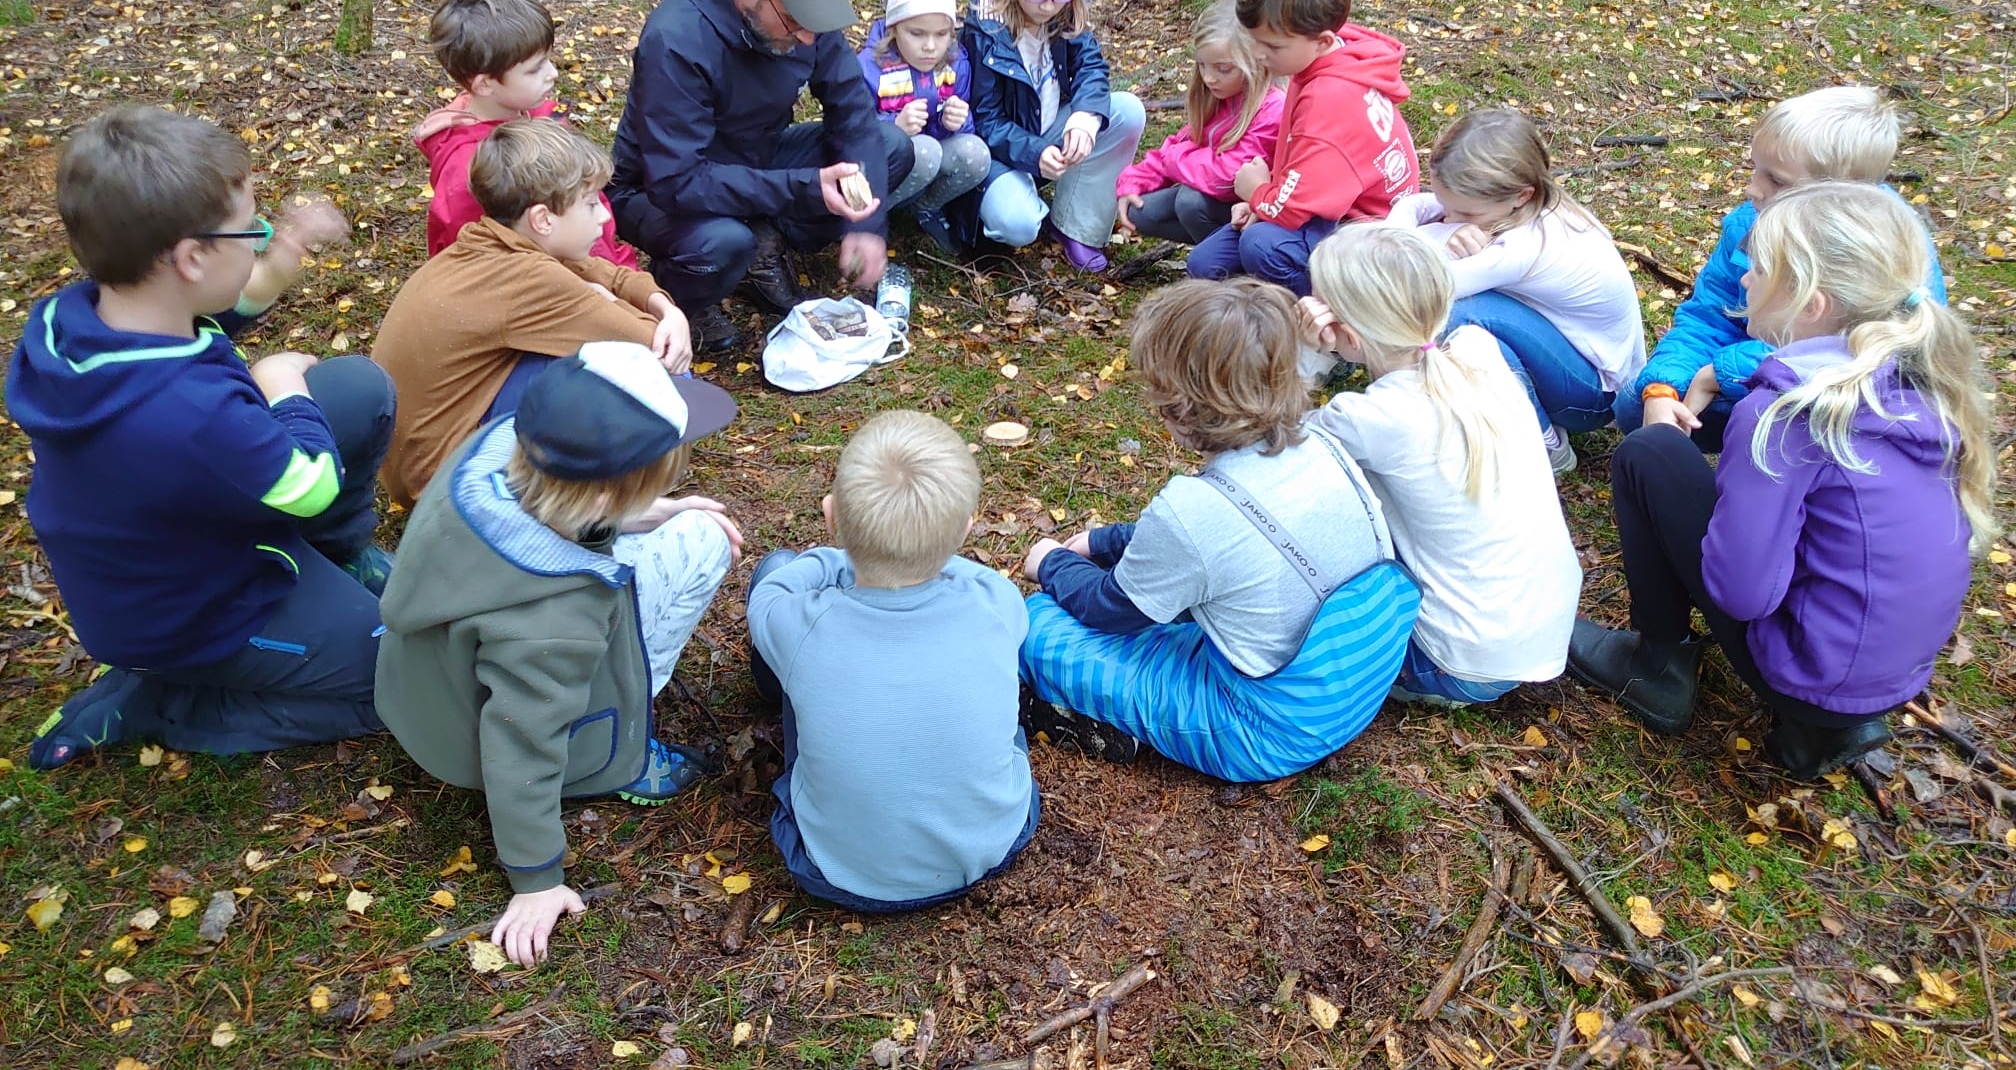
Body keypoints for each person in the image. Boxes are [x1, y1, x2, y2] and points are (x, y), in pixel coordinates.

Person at [11, 105, 396, 769]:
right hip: (201, 611)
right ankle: (165, 701)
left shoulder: (77, 319)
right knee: (399, 676)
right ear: (189, 257)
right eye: (251, 230)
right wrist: (282, 385)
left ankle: (332, 558)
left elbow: (217, 310)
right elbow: (308, 486)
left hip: (189, 529)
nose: (259, 237)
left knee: (359, 391)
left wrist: (280, 257)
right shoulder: (184, 412)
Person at [1568, 183, 1993, 779]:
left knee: (1650, 451)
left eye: (1758, 269)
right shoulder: (1924, 374)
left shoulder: (1785, 414)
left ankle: (1657, 665)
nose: (1743, 280)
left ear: (1810, 303)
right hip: (1896, 672)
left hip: (1809, 674)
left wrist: (1726, 512)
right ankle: (1823, 728)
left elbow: (1742, 591)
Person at [377, 343, 742, 966]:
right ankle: (624, 758)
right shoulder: (555, 617)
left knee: (683, 528)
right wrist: (536, 878)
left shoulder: (491, 455)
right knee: (703, 541)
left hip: (422, 687)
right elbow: (523, 739)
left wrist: (639, 515)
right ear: (604, 497)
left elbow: (560, 508)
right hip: (475, 741)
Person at [1017, 280, 1419, 783]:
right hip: (1354, 685)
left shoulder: (1192, 511)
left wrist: (1052, 561)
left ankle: (1112, 718)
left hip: (1265, 730)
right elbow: (1218, 541)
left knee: (1033, 625)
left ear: (1179, 411)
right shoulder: (1322, 444)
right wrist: (1104, 541)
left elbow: (1109, 610)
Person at [746, 411, 1038, 911]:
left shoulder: (800, 623)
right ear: (965, 532)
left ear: (832, 515)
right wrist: (926, 548)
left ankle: (777, 690)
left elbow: (770, 590)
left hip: (832, 872)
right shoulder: (998, 600)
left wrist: (843, 555)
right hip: (995, 845)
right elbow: (971, 575)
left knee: (776, 565)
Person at [609, 0, 915, 354]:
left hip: (758, 156)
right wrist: (808, 188)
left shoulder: (801, 11)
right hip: (658, 189)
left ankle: (762, 247)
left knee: (890, 149)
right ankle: (678, 298)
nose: (809, 38)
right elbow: (679, 181)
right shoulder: (675, 40)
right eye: (794, 22)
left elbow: (853, 113)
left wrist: (866, 219)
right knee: (722, 243)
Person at [1303, 225, 1580, 708]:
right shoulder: (1478, 348)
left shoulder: (1370, 418)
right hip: (1543, 631)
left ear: (1345, 335)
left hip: (1459, 663)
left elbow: (1274, 443)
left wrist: (1310, 355)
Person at [372, 119, 692, 508]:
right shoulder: (530, 278)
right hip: (448, 486)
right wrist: (617, 306)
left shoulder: (489, 240)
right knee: (649, 378)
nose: (605, 217)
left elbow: (599, 270)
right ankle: (569, 488)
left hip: (411, 466)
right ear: (543, 219)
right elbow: (652, 349)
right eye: (591, 204)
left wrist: (666, 307)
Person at [1616, 85, 1947, 451]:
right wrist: (1664, 387)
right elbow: (1711, 315)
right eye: (1756, 169)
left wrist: (1721, 371)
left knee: (1794, 428)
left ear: (1843, 192)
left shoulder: (1887, 251)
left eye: (1776, 180)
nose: (1752, 189)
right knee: (1637, 406)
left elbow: (1865, 356)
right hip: (1757, 370)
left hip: (1845, 403)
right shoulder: (1750, 224)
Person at [1387, 109, 1644, 475]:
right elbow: (1418, 210)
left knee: (1455, 315)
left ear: (1521, 195)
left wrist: (1414, 228)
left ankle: (1547, 443)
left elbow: (1415, 282)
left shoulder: (1523, 248)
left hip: (1596, 395)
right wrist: (1434, 221)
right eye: (1445, 206)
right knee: (1464, 310)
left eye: (1465, 213)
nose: (1450, 217)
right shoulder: (1532, 205)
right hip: (1579, 360)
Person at [1187, 0, 1418, 297]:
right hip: (1324, 205)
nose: (1259, 55)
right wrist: (1263, 201)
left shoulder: (1330, 97)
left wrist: (1258, 194)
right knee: (1206, 265)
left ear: (1322, 39)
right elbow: (1306, 170)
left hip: (1368, 236)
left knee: (1262, 245)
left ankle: (1337, 320)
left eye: (1272, 47)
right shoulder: (1328, 56)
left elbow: (1293, 210)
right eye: (1254, 42)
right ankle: (1264, 308)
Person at [963, 0, 1146, 273]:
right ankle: (1023, 207)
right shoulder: (985, 28)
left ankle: (1076, 226)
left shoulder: (1065, 9)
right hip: (1003, 151)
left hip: (1047, 128)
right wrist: (1035, 152)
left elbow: (1091, 67)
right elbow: (985, 120)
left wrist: (1084, 118)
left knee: (1128, 111)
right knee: (1018, 223)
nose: (1048, 6)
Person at [413, 0, 636, 267]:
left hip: (597, 267)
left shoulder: (535, 115)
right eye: (534, 69)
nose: (553, 73)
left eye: (548, 59)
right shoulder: (471, 173)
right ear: (484, 85)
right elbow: (470, 263)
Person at [1114, 0, 1283, 247]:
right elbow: (1181, 143)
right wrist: (1133, 181)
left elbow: (1227, 177)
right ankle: (1215, 254)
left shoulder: (1272, 108)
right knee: (1140, 211)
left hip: (1254, 210)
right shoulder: (1219, 98)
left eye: (1223, 69)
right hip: (1220, 202)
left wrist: (1175, 158)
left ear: (1255, 64)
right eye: (1202, 66)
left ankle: (1230, 265)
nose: (1209, 78)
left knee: (1189, 201)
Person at [856, 0, 992, 253]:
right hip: (883, 166)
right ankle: (871, 216)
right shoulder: (870, 67)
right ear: (894, 27)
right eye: (917, 34)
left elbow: (964, 129)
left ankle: (924, 208)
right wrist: (894, 128)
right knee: (925, 151)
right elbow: (852, 132)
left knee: (976, 154)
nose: (930, 47)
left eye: (941, 34)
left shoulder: (955, 62)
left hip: (928, 160)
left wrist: (957, 121)